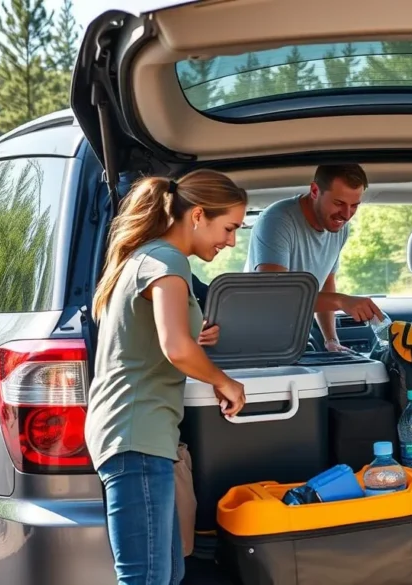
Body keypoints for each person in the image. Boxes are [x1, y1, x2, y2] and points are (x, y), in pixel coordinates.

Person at [86, 169, 249, 585]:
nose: (231, 241)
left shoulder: (148, 257)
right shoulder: (165, 260)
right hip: (136, 434)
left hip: (140, 434)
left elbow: (159, 337)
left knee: (169, 572)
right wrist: (222, 381)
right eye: (228, 228)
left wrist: (196, 336)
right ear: (197, 215)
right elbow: (174, 347)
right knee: (147, 577)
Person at [246, 163, 384, 352]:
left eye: (354, 206)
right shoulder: (278, 221)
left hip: (295, 336)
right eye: (339, 203)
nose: (346, 214)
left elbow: (326, 282)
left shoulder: (338, 227)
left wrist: (331, 340)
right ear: (314, 190)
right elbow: (275, 296)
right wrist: (341, 301)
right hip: (256, 337)